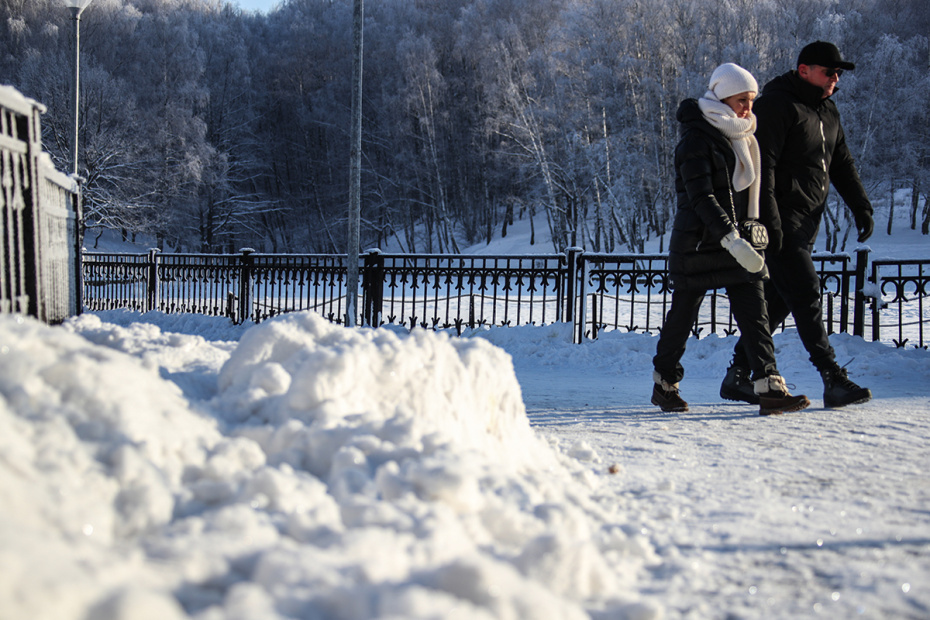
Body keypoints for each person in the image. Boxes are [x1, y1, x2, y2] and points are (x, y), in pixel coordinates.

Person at [720, 42, 874, 409]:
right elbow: (764, 168)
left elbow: (842, 164)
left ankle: (739, 373)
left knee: (778, 301)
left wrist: (861, 207)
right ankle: (832, 377)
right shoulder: (778, 105)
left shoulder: (828, 112)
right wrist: (770, 225)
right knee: (805, 292)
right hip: (779, 223)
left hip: (807, 224)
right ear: (804, 69)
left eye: (838, 74)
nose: (835, 79)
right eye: (829, 72)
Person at [652, 63, 810, 416]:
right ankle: (665, 383)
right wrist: (731, 239)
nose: (747, 109)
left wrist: (763, 233)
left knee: (756, 312)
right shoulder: (695, 139)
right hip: (698, 244)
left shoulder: (745, 137)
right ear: (722, 97)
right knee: (682, 319)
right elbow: (701, 197)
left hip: (738, 242)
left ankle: (769, 384)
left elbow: (757, 192)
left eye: (751, 101)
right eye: (742, 100)